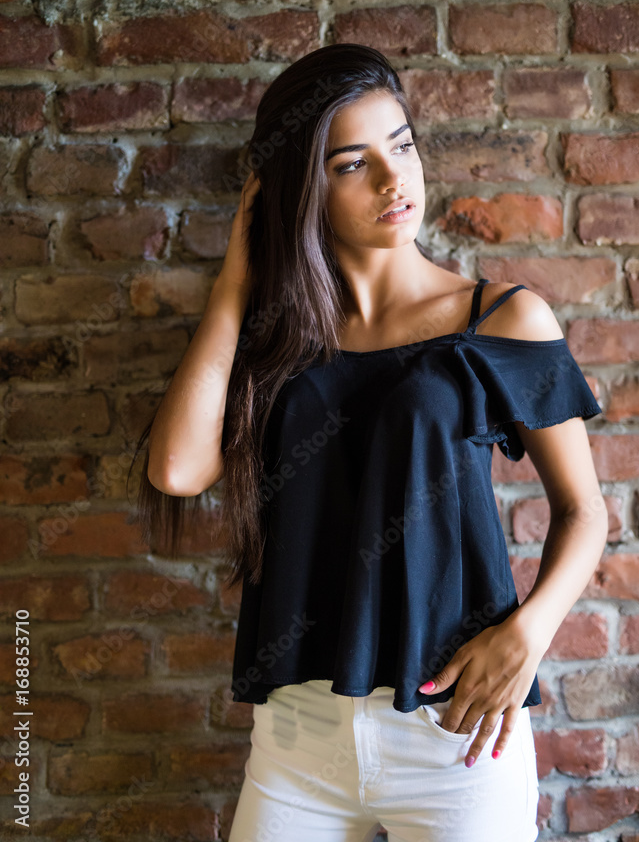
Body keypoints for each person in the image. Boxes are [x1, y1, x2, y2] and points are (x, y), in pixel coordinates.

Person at [132, 44, 608, 842]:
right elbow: (179, 470)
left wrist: (527, 634)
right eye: (353, 163)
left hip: (454, 734)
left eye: (402, 146)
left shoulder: (502, 319)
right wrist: (233, 288)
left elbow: (583, 510)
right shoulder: (273, 341)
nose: (395, 181)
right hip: (297, 743)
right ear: (299, 191)